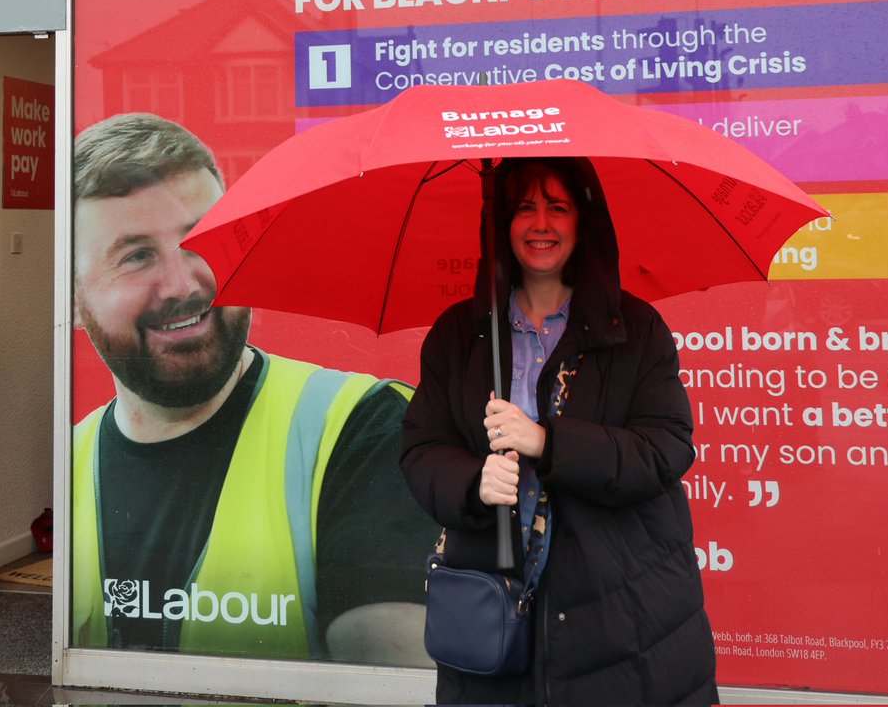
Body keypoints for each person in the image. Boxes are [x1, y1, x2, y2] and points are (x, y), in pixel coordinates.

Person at [71, 112, 433, 665]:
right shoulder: (70, 460)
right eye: (136, 255)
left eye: (201, 238)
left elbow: (393, 674)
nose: (185, 282)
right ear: (72, 300)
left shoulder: (360, 426)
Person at [400, 156, 718, 705]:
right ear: (502, 224)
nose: (540, 224)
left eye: (558, 208)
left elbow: (665, 448)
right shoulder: (460, 335)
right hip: (492, 615)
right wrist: (472, 483)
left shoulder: (635, 330)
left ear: (583, 221)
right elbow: (421, 447)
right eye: (525, 207)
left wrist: (547, 443)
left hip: (624, 620)